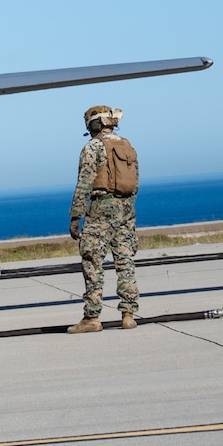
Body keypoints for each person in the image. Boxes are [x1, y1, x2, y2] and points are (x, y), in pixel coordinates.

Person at [68, 105, 140, 333]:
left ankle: (92, 317)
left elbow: (84, 183)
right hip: (126, 209)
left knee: (93, 262)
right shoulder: (126, 145)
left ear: (94, 124)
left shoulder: (93, 147)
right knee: (125, 262)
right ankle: (128, 314)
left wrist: (75, 216)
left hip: (101, 209)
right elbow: (134, 181)